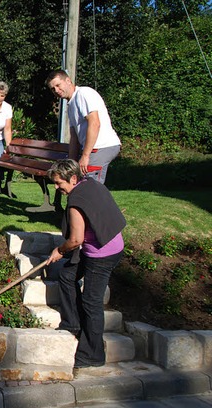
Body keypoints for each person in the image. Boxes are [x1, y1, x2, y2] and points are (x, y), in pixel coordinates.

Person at [45, 159, 126, 368]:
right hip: (107, 245)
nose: (57, 187)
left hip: (102, 254)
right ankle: (72, 323)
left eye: (58, 183)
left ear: (72, 178)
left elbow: (76, 240)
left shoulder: (76, 201)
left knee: (91, 301)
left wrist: (59, 250)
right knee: (67, 276)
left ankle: (93, 354)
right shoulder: (90, 184)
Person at [46, 70, 121, 184]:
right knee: (79, 183)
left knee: (89, 185)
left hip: (102, 146)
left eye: (58, 85)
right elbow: (74, 136)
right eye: (52, 89)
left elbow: (95, 123)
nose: (56, 90)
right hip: (92, 148)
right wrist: (70, 163)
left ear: (68, 81)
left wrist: (85, 156)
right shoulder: (70, 105)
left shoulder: (83, 94)